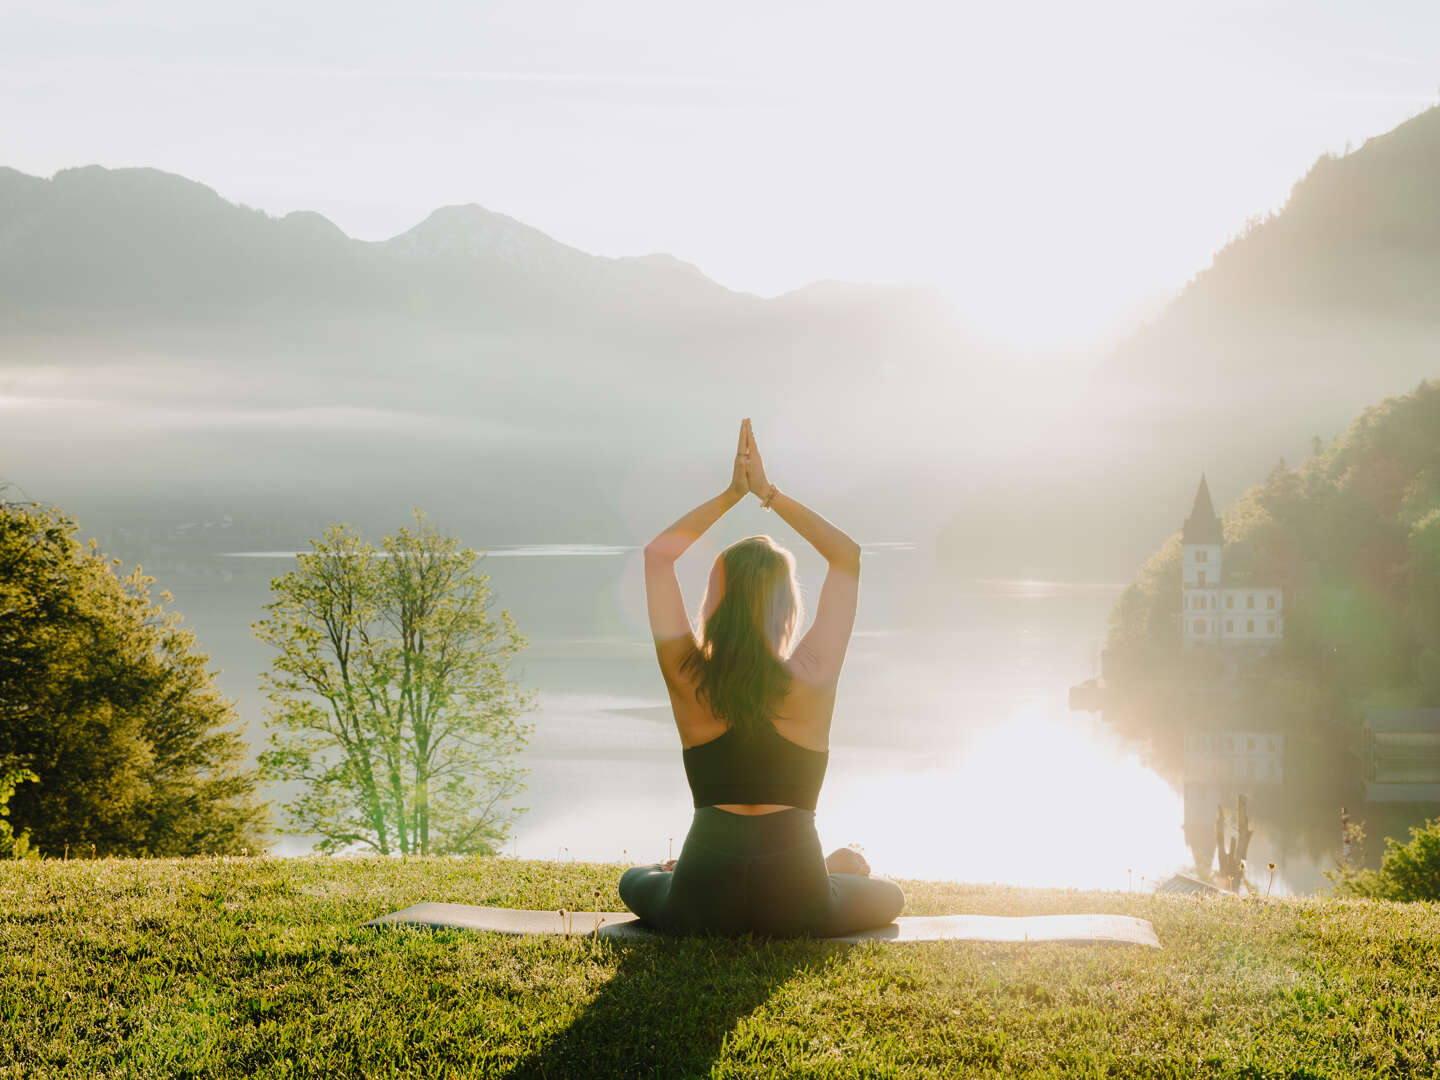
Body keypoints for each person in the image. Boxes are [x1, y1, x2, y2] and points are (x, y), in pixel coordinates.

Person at [618, 418, 905, 936]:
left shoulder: (689, 677)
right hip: (799, 898)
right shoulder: (812, 678)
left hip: (700, 898)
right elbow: (847, 557)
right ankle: (830, 871)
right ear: (786, 609)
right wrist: (767, 493)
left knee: (635, 878)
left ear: (714, 604)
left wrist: (732, 494)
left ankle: (678, 871)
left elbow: (659, 557)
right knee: (890, 895)